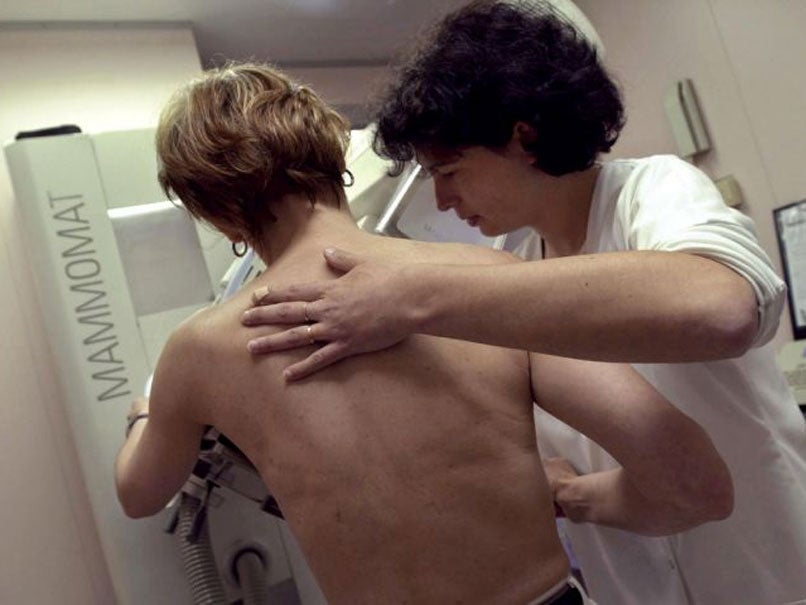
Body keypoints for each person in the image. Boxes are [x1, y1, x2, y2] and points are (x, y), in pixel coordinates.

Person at [239, 2, 806, 604]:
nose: (444, 198)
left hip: (768, 568)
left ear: (524, 138)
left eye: (450, 169)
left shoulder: (654, 191)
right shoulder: (511, 260)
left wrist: (416, 293)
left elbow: (721, 308)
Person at [113, 62, 735, 605]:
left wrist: (145, 415)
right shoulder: (491, 284)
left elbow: (140, 494)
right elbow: (696, 484)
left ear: (220, 214)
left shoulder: (198, 354)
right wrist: (571, 495)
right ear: (334, 159)